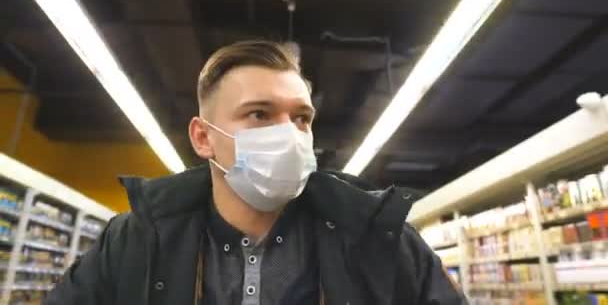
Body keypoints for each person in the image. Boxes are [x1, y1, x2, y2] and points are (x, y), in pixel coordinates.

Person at [44, 41, 466, 305]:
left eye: (301, 118)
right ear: (203, 138)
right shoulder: (135, 238)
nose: (289, 133)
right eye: (259, 114)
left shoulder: (379, 236)